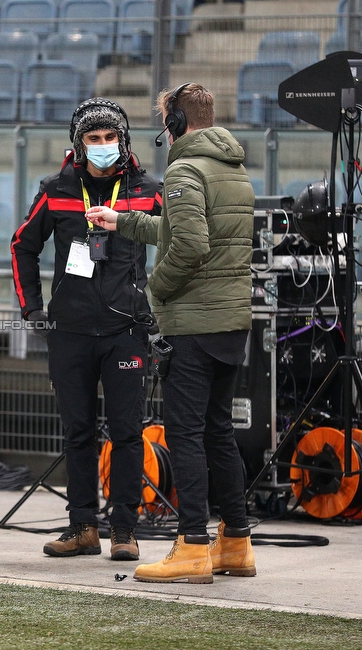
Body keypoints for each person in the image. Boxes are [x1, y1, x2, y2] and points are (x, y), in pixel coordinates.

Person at [87, 83, 257, 583]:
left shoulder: (184, 169)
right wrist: (124, 222)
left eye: (165, 121)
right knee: (218, 432)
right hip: (228, 322)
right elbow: (181, 227)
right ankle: (236, 543)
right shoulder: (233, 168)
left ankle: (192, 546)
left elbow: (189, 246)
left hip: (194, 323)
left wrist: (155, 293)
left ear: (177, 123)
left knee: (184, 433)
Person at [12, 98, 163, 561]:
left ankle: (123, 530)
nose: (102, 146)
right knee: (77, 431)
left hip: (127, 332)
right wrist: (32, 310)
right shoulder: (56, 188)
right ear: (79, 144)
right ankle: (82, 526)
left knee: (126, 433)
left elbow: (183, 245)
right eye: (93, 139)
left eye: (110, 137)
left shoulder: (149, 190)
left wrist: (158, 307)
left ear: (124, 140)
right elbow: (23, 246)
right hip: (71, 332)